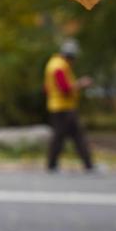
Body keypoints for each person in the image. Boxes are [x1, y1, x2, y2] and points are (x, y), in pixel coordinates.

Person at [44, 40, 94, 172]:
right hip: (63, 107)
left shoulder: (55, 64)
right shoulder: (59, 67)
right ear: (70, 56)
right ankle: (87, 165)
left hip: (60, 106)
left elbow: (47, 88)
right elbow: (64, 88)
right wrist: (81, 84)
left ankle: (53, 165)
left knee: (65, 137)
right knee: (71, 136)